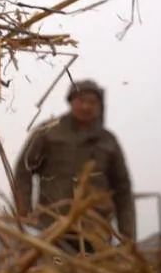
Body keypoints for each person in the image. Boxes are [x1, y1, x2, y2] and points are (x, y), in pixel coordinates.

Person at [14, 80, 136, 254]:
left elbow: (123, 189)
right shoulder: (48, 131)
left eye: (92, 102)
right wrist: (23, 211)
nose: (86, 106)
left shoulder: (108, 141)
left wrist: (128, 235)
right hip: (53, 225)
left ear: (100, 106)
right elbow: (23, 171)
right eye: (81, 100)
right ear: (71, 101)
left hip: (96, 230)